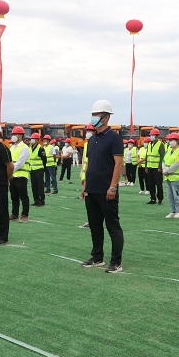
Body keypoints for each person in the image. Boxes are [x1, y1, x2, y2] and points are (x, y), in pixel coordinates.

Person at [80, 100, 124, 274]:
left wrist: (113, 187)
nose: (94, 117)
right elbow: (89, 164)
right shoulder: (92, 140)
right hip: (92, 190)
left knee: (113, 227)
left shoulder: (114, 138)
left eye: (97, 114)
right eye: (93, 114)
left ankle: (116, 262)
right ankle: (97, 257)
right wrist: (85, 186)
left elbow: (118, 164)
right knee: (95, 225)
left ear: (106, 118)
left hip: (107, 191)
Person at [9, 126, 30, 222]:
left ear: (20, 136)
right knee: (14, 196)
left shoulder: (24, 148)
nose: (13, 136)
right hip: (12, 176)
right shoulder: (12, 148)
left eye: (15, 134)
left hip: (21, 176)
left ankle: (25, 215)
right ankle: (15, 213)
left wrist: (10, 170)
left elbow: (20, 163)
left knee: (23, 196)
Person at [162, 133, 179, 219]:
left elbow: (177, 164)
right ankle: (173, 211)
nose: (170, 142)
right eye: (170, 140)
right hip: (168, 177)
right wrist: (164, 169)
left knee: (177, 195)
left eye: (172, 140)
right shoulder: (168, 150)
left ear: (177, 141)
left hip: (176, 177)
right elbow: (163, 161)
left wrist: (167, 171)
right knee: (170, 196)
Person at [145, 128, 165, 205]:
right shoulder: (149, 144)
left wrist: (160, 167)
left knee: (159, 184)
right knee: (151, 184)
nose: (151, 136)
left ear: (156, 136)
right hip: (150, 167)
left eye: (152, 135)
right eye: (151, 135)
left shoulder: (160, 144)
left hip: (157, 168)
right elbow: (147, 156)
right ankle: (153, 199)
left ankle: (160, 199)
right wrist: (146, 166)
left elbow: (162, 156)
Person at [29, 132, 47, 207]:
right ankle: (36, 200)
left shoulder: (40, 148)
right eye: (31, 139)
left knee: (40, 186)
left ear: (37, 140)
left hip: (39, 170)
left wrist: (43, 168)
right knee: (34, 186)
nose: (32, 140)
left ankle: (41, 200)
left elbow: (44, 159)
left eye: (33, 139)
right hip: (32, 169)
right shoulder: (30, 148)